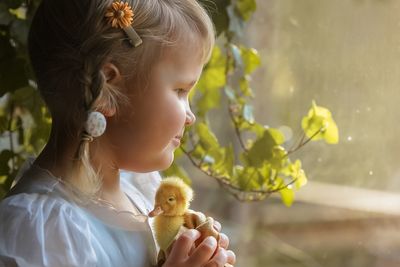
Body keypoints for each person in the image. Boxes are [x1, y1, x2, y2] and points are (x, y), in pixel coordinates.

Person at [0, 0, 236, 266]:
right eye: (180, 91)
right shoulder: (41, 232)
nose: (190, 116)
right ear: (107, 90)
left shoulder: (140, 192)